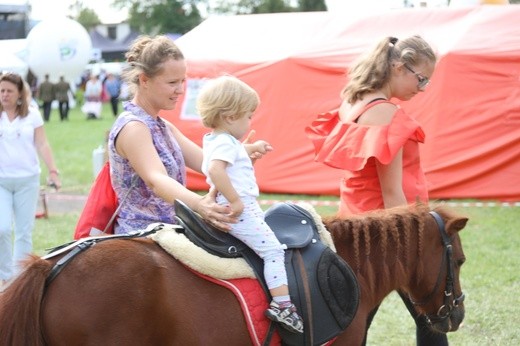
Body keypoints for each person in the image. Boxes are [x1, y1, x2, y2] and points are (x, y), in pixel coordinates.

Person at [306, 36, 445, 345]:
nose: (421, 88)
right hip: (388, 233)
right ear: (398, 67)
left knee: (355, 324)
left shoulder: (354, 101)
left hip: (361, 227)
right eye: (420, 78)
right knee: (432, 318)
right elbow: (392, 192)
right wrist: (416, 246)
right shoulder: (383, 112)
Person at [107, 35, 268, 235]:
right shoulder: (133, 128)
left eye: (183, 81)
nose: (181, 90)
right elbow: (156, 180)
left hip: (171, 230)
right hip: (144, 236)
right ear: (144, 80)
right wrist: (200, 204)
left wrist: (239, 152)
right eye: (173, 82)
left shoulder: (163, 126)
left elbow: (206, 162)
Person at [197, 75, 304, 334]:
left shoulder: (216, 139)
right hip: (241, 207)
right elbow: (216, 169)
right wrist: (234, 199)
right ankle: (283, 305)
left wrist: (252, 147)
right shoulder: (224, 143)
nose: (250, 121)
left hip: (245, 204)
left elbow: (233, 154)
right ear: (230, 116)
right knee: (273, 251)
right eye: (248, 116)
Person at [0, 72, 61, 288]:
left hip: (27, 179)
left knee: (24, 231)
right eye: (1, 91)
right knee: (3, 228)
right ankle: (6, 276)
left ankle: (20, 278)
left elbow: (42, 144)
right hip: (2, 181)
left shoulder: (32, 115)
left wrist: (53, 170)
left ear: (19, 94)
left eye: (9, 91)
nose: (4, 95)